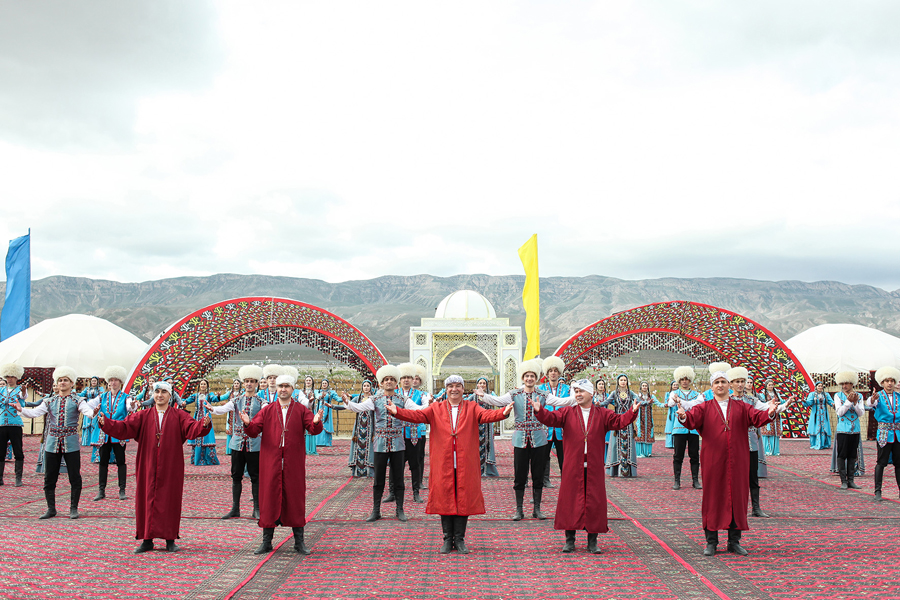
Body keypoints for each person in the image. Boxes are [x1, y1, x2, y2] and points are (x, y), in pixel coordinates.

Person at [388, 374, 512, 553]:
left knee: (464, 497)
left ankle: (459, 539)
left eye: (457, 386)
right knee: (444, 496)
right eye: (450, 386)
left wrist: (503, 412)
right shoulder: (436, 408)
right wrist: (397, 412)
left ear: (463, 389)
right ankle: (447, 539)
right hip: (443, 461)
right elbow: (417, 415)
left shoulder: (472, 407)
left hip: (465, 461)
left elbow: (486, 415)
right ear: (446, 389)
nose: (454, 389)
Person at [98, 381, 211, 553]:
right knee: (146, 497)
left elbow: (192, 428)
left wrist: (203, 423)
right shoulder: (143, 415)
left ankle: (170, 539)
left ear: (170, 395)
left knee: (170, 499)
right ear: (153, 395)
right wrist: (106, 423)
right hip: (147, 463)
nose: (160, 395)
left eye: (164, 392)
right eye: (157, 392)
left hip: (171, 464)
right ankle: (147, 539)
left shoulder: (179, 415)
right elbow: (124, 427)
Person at [675, 370, 778, 556]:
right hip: (713, 460)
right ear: (712, 387)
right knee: (713, 497)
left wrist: (770, 413)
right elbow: (690, 420)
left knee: (737, 496)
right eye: (717, 382)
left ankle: (734, 541)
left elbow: (757, 417)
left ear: (729, 385)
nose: (720, 385)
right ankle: (711, 542)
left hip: (738, 459)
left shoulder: (742, 407)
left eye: (723, 382)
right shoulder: (704, 407)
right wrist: (683, 416)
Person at [533, 378, 640, 553]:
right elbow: (551, 419)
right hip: (572, 465)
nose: (578, 394)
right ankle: (570, 540)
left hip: (594, 465)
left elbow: (620, 421)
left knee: (594, 500)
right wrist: (540, 411)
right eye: (576, 391)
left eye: (581, 391)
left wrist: (632, 412)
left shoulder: (603, 414)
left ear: (591, 393)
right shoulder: (567, 412)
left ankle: (592, 541)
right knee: (570, 500)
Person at [476, 358, 576, 521]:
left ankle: (537, 509)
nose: (529, 378)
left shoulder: (543, 395)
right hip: (520, 440)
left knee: (538, 474)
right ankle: (519, 509)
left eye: (532, 376)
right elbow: (498, 401)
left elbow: (562, 402)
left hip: (539, 439)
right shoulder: (514, 394)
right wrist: (484, 396)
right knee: (520, 475)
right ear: (523, 378)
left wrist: (575, 395)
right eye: (527, 376)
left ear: (536, 378)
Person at [244, 374, 323, 555]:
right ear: (276, 388)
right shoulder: (268, 410)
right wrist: (248, 423)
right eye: (280, 386)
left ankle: (299, 542)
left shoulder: (301, 409)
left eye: (287, 386)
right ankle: (266, 541)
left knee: (295, 498)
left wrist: (316, 421)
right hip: (270, 461)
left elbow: (313, 428)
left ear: (292, 389)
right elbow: (254, 430)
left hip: (293, 462)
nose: (283, 389)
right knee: (268, 498)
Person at [344, 365, 427, 523]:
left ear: (396, 383)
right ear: (381, 383)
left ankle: (400, 509)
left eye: (392, 379)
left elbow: (418, 409)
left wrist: (430, 403)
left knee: (399, 477)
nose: (389, 382)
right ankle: (376, 510)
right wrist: (348, 402)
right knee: (379, 478)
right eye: (386, 379)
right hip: (380, 443)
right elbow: (359, 408)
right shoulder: (374, 399)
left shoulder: (403, 400)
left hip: (398, 442)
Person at [16, 367, 99, 519]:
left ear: (72, 383)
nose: (62, 383)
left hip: (71, 442)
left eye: (65, 380)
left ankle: (73, 508)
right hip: (52, 442)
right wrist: (21, 410)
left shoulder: (78, 400)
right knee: (49, 477)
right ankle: (51, 509)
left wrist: (93, 413)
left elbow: (87, 411)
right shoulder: (50, 401)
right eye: (60, 380)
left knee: (74, 476)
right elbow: (34, 413)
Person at [724, 368, 789, 519]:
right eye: (737, 381)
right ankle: (732, 508)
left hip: (751, 442)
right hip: (733, 443)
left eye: (742, 381)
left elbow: (766, 408)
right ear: (731, 384)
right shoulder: (726, 401)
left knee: (753, 476)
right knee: (732, 477)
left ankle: (756, 507)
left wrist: (783, 405)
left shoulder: (752, 400)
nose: (740, 384)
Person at [207, 365, 266, 519]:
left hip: (254, 443)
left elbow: (269, 413)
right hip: (237, 443)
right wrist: (212, 409)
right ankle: (235, 508)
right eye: (247, 381)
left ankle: (257, 508)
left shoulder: (262, 402)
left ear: (256, 383)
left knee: (255, 476)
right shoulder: (236, 400)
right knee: (236, 475)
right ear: (243, 382)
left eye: (252, 381)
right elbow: (222, 409)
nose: (249, 384)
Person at [89, 366, 133, 501]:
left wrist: (133, 406)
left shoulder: (126, 397)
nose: (113, 383)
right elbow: (89, 404)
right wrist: (93, 411)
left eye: (116, 380)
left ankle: (122, 490)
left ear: (120, 382)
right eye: (111, 380)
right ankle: (101, 490)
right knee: (103, 462)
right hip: (104, 433)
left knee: (121, 461)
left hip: (119, 432)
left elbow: (130, 407)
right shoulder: (102, 396)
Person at [867, 366, 900, 502]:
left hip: (898, 434)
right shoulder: (878, 396)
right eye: (887, 381)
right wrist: (872, 400)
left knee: (899, 464)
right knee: (881, 462)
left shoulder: (899, 397)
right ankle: (878, 491)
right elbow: (870, 404)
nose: (890, 383)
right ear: (882, 382)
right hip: (884, 434)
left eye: (892, 381)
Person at [396, 363, 427, 503]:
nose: (407, 380)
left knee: (415, 464)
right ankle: (393, 492)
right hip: (397, 434)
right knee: (396, 465)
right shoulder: (394, 394)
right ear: (400, 379)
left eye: (409, 377)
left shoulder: (421, 394)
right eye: (404, 377)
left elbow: (425, 407)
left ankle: (416, 492)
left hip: (414, 432)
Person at [597, 374, 639, 478]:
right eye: (621, 380)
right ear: (618, 382)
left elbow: (639, 401)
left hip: (628, 423)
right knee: (616, 445)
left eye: (625, 380)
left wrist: (641, 403)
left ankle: (628, 470)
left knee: (628, 445)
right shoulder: (614, 393)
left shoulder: (631, 393)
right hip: (617, 422)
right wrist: (598, 404)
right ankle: (616, 470)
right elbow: (606, 402)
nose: (623, 382)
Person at [537, 356, 569, 489]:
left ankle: (566, 482)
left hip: (562, 428)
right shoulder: (540, 389)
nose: (553, 373)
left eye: (555, 370)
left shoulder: (567, 389)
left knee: (564, 457)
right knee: (543, 457)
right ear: (547, 373)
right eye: (551, 371)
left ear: (559, 373)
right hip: (546, 428)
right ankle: (544, 480)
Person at [833, 371, 864, 490]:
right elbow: (839, 412)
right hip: (843, 430)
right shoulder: (838, 396)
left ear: (852, 383)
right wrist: (848, 402)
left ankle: (851, 480)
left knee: (852, 455)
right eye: (843, 383)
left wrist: (855, 403)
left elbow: (860, 413)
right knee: (842, 455)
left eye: (847, 383)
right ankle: (843, 481)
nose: (844, 386)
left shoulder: (859, 396)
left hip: (855, 429)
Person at [341, 380, 376, 477]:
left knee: (370, 447)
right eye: (364, 386)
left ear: (370, 387)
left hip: (370, 427)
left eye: (368, 386)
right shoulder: (357, 399)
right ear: (362, 387)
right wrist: (333, 406)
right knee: (358, 447)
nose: (366, 387)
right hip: (359, 427)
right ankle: (357, 471)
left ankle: (369, 471)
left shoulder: (373, 399)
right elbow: (347, 405)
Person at [0, 363, 28, 487]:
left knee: (18, 450)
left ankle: (18, 478)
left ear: (16, 377)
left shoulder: (20, 389)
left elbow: (23, 396)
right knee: (0, 451)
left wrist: (24, 391)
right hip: (1, 423)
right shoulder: (1, 390)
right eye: (7, 376)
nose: (9, 379)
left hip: (15, 423)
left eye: (12, 376)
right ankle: (0, 478)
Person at [182, 379, 220, 466]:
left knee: (206, 436)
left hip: (206, 418)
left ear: (207, 386)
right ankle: (197, 459)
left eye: (204, 384)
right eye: (201, 384)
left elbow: (215, 399)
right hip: (197, 418)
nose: (203, 385)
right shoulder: (195, 396)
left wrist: (218, 396)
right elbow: (187, 401)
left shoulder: (209, 395)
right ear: (199, 386)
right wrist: (183, 402)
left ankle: (208, 459)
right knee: (197, 435)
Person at [468, 377, 499, 477]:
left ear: (486, 385)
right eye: (480, 383)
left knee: (487, 445)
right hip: (475, 425)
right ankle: (475, 469)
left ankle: (486, 470)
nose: (482, 385)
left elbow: (498, 402)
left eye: (484, 383)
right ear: (477, 385)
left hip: (487, 425)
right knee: (475, 445)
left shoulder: (490, 396)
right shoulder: (473, 397)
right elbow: (464, 404)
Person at [803, 382, 833, 450]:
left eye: (821, 386)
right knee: (816, 426)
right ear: (816, 387)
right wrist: (805, 402)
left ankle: (825, 444)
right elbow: (809, 402)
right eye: (819, 386)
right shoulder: (812, 394)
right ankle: (815, 443)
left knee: (824, 426)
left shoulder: (826, 394)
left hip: (824, 413)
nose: (820, 387)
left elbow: (831, 402)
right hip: (816, 413)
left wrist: (835, 405)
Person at [760, 380, 786, 455]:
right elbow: (762, 403)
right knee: (767, 433)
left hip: (776, 415)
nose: (771, 386)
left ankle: (775, 451)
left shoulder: (776, 394)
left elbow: (782, 401)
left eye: (772, 385)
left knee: (775, 432)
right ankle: (767, 450)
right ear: (766, 386)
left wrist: (787, 401)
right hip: (767, 414)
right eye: (769, 385)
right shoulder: (762, 394)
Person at [217, 379, 242, 456]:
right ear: (233, 385)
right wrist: (218, 396)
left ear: (240, 385)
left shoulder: (242, 393)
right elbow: (221, 398)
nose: (236, 385)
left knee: (239, 430)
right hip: (231, 414)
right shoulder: (230, 393)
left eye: (238, 383)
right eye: (235, 383)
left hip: (238, 414)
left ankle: (237, 449)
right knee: (230, 431)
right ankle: (229, 450)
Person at [79, 377, 104, 451]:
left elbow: (102, 395)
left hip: (96, 406)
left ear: (97, 382)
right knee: (87, 423)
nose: (93, 382)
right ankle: (86, 441)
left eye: (95, 381)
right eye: (92, 381)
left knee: (94, 423)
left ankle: (93, 440)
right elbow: (81, 394)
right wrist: (74, 393)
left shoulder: (100, 389)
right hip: (88, 406)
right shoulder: (87, 389)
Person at [634, 381, 657, 458]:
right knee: (640, 433)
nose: (644, 387)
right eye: (643, 385)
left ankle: (648, 452)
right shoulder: (637, 396)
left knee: (649, 433)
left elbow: (658, 403)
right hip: (640, 419)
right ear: (641, 387)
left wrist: (665, 405)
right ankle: (640, 453)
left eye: (646, 386)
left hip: (649, 419)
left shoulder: (651, 396)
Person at [314, 378, 339, 447]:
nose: (324, 384)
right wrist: (321, 396)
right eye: (323, 383)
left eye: (325, 383)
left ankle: (326, 442)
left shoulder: (331, 392)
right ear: (321, 384)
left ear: (328, 384)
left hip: (327, 410)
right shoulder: (317, 391)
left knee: (326, 423)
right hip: (319, 409)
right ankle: (317, 442)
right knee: (318, 422)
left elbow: (338, 399)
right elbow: (317, 396)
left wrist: (344, 398)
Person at [301, 376, 319, 457]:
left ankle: (311, 449)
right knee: (303, 431)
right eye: (307, 380)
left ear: (312, 382)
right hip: (302, 412)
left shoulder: (315, 391)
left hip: (311, 412)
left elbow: (318, 396)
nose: (308, 382)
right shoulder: (301, 392)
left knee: (311, 429)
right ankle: (303, 449)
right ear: (305, 382)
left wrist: (320, 396)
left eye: (310, 380)